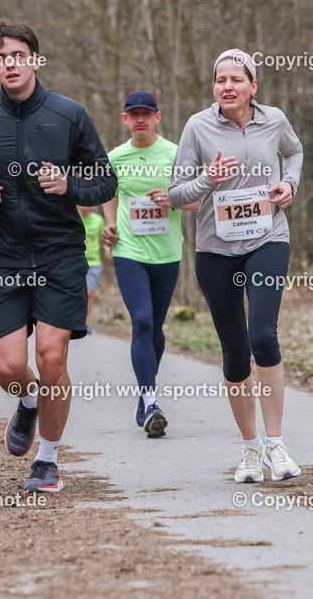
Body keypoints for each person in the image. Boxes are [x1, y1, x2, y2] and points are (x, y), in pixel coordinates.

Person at [0, 20, 117, 493]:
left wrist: (70, 186)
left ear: (35, 61)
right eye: (1, 57)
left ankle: (47, 459)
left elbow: (105, 181)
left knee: (50, 359)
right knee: (8, 366)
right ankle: (28, 405)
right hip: (1, 259)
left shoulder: (69, 115)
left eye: (18, 55)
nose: (10, 64)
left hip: (59, 255)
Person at [168, 49, 304, 483]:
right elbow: (175, 194)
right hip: (216, 250)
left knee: (263, 335)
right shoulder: (198, 126)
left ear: (253, 86)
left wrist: (288, 183)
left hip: (268, 240)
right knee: (234, 352)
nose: (227, 86)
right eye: (220, 79)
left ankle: (276, 444)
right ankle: (250, 450)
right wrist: (210, 178)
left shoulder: (275, 120)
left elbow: (295, 152)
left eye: (236, 79)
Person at [103, 90, 197, 438]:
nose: (140, 119)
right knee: (141, 320)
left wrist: (172, 199)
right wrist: (110, 223)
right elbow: (110, 192)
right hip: (130, 252)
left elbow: (199, 203)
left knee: (155, 327)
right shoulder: (115, 156)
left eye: (146, 113)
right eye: (133, 114)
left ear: (158, 117)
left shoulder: (175, 154)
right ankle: (152, 400)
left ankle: (144, 400)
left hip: (167, 253)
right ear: (125, 119)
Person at [77, 205, 105, 334]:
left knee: (88, 293)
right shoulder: (72, 217)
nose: (84, 207)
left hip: (93, 263)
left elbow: (103, 239)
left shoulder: (98, 220)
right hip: (75, 262)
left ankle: (83, 322)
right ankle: (71, 320)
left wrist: (109, 249)